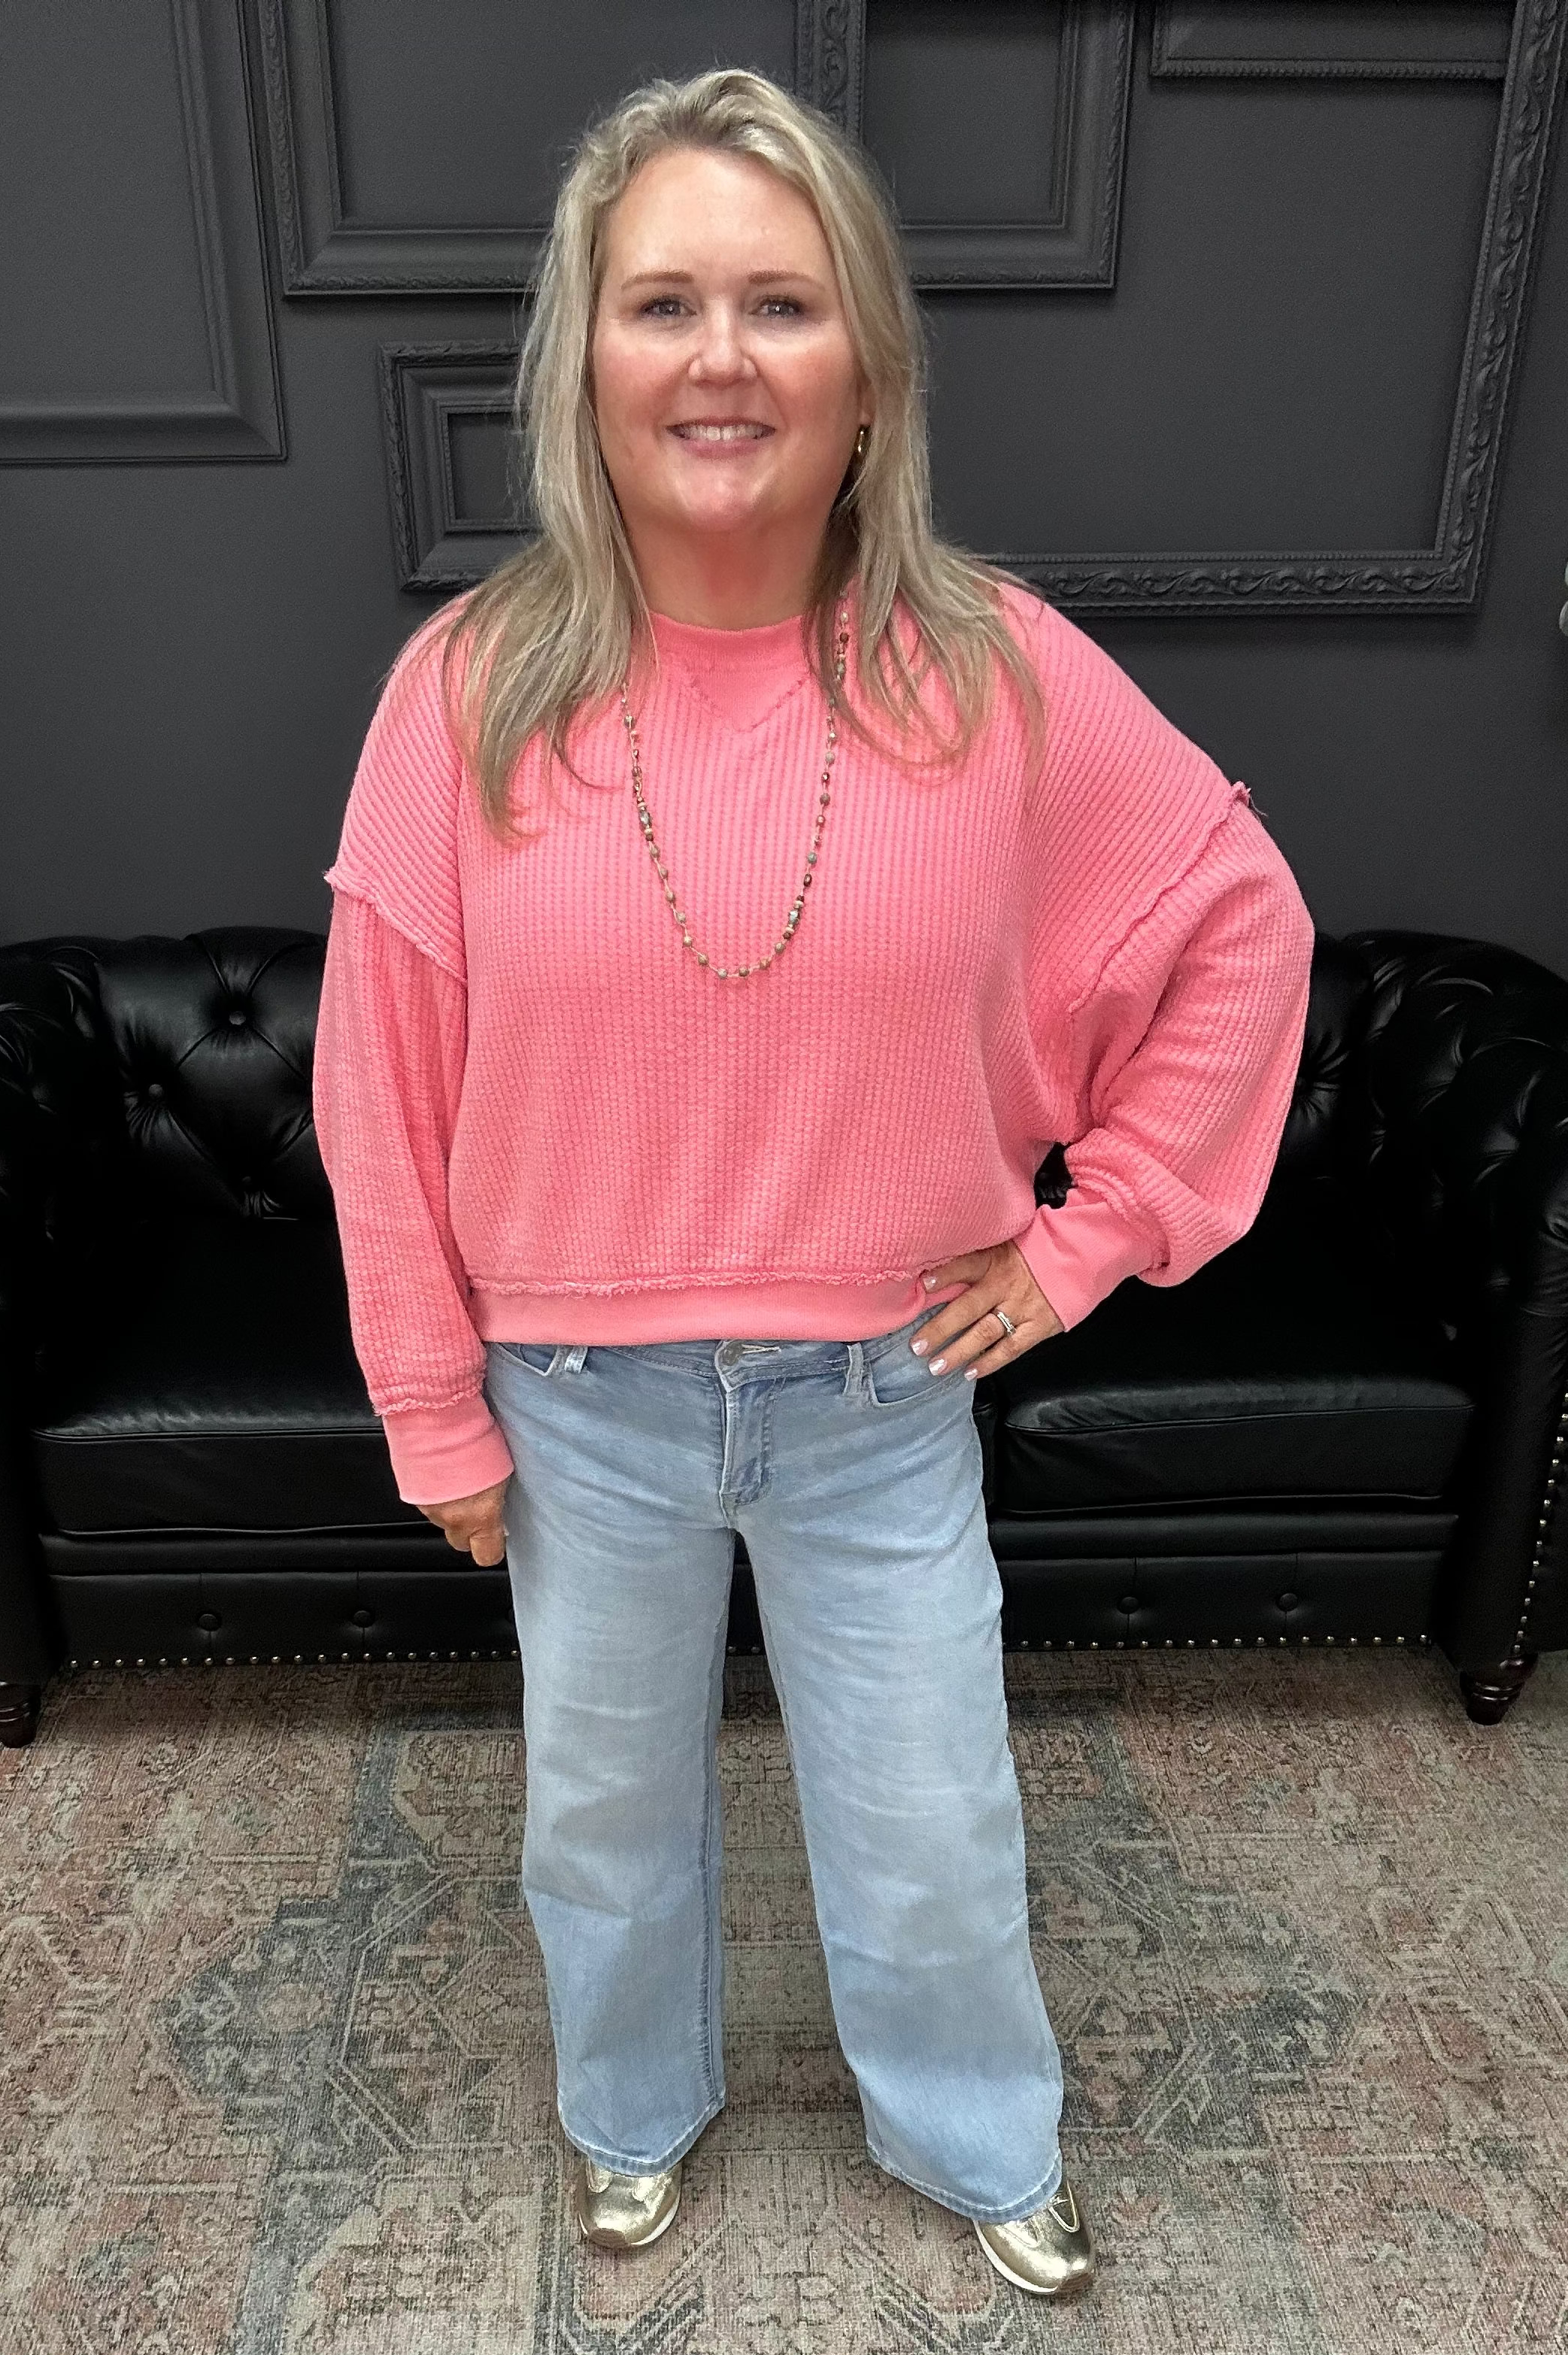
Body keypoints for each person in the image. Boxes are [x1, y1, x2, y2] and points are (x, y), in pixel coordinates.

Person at [312, 66, 1315, 2301]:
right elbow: (374, 1080)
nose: (722, 355)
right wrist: (432, 1406)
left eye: (781, 301)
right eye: (663, 299)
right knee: (600, 1819)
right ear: (589, 357)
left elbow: (1242, 929)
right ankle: (630, 2116)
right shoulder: (466, 694)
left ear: (867, 363)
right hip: (573, 1394)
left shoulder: (996, 670)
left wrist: (1087, 1242)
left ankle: (976, 2142)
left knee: (933, 1826)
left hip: (882, 1391)